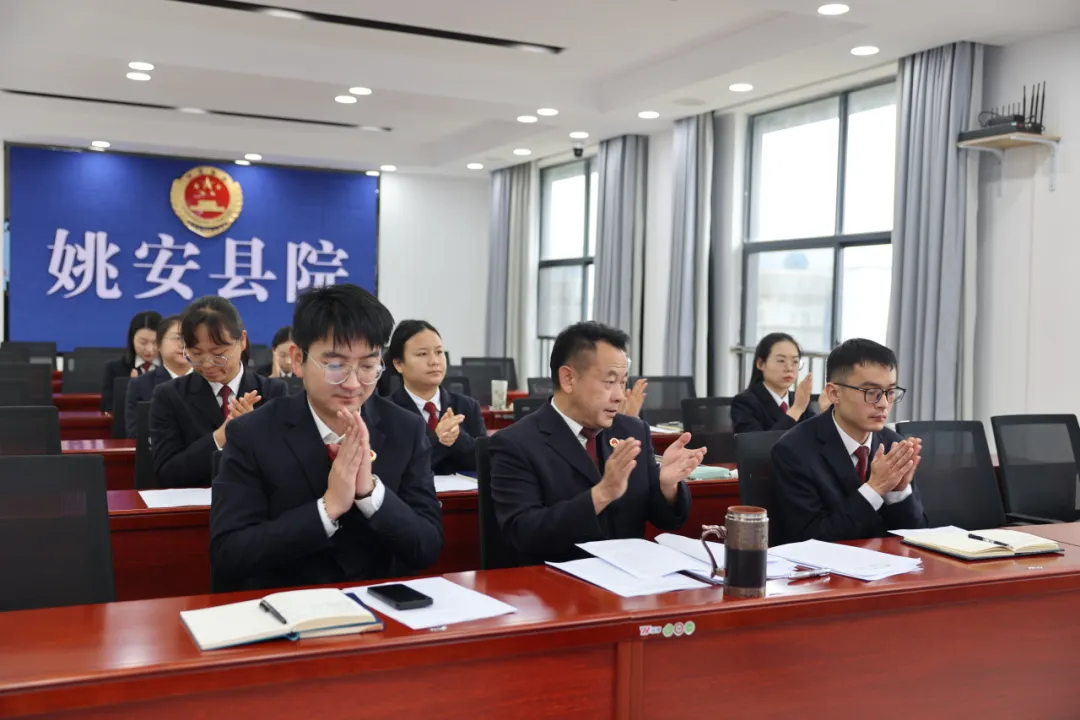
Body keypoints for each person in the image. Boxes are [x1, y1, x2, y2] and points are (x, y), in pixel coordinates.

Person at [210, 284, 443, 591]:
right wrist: (328, 507)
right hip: (287, 603)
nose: (353, 383)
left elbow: (427, 546)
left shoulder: (406, 429)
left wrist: (369, 494)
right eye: (335, 365)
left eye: (368, 366)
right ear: (298, 360)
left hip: (378, 605)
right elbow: (230, 553)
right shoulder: (252, 433)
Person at [490, 321, 706, 565]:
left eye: (622, 382)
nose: (620, 396)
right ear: (568, 379)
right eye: (609, 382)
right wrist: (601, 494)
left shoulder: (633, 431)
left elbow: (666, 520)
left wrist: (667, 486)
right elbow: (524, 534)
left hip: (631, 576)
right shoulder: (515, 444)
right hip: (557, 579)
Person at [771, 338, 927, 543]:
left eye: (890, 392)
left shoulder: (893, 445)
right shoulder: (794, 450)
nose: (883, 404)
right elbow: (810, 539)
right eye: (871, 393)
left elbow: (917, 536)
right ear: (834, 393)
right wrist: (874, 489)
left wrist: (898, 493)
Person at [150, 296, 286, 488]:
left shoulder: (272, 391)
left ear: (242, 341)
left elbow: (285, 468)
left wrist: (255, 434)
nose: (207, 364)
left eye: (218, 354)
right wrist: (221, 436)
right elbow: (167, 473)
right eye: (196, 354)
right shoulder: (169, 396)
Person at [386, 320, 485, 475]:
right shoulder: (387, 411)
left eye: (439, 352)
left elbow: (486, 462)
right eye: (422, 354)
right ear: (399, 364)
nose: (434, 361)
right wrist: (437, 439)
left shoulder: (467, 406)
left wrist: (458, 437)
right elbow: (396, 471)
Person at [731, 333, 831, 434]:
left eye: (795, 361)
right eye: (781, 360)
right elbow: (757, 443)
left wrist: (827, 413)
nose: (789, 368)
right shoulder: (744, 402)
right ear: (761, 364)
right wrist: (796, 410)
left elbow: (817, 437)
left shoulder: (798, 399)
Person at [123, 314, 191, 438]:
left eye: (190, 338)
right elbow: (135, 433)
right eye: (178, 338)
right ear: (159, 344)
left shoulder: (211, 381)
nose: (184, 344)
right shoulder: (139, 385)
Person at [100, 311, 162, 413]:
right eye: (143, 342)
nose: (150, 349)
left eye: (155, 342)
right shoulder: (114, 369)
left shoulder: (174, 367)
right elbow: (107, 407)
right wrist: (131, 390)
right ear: (132, 339)